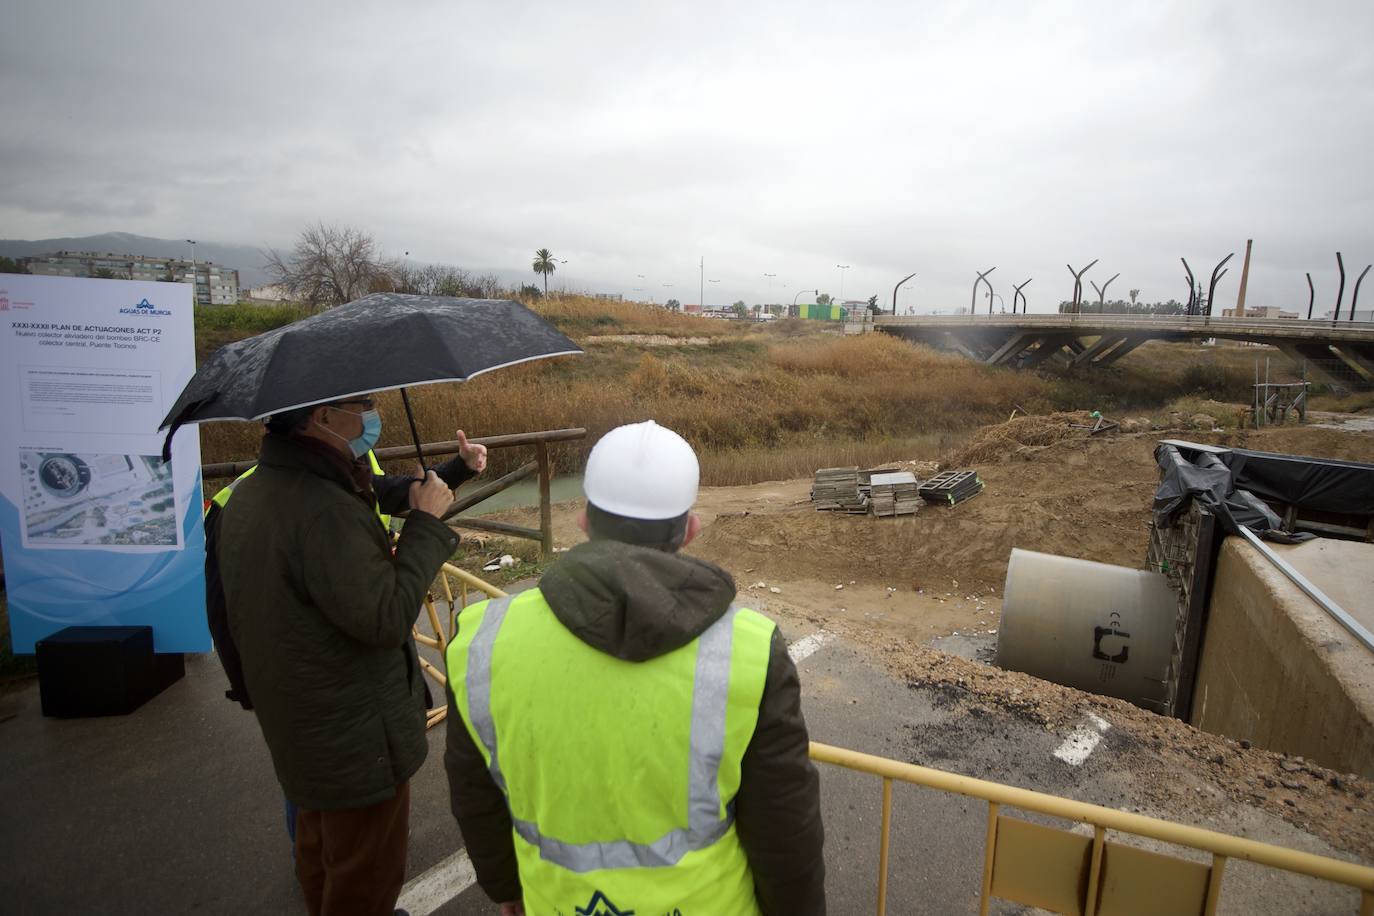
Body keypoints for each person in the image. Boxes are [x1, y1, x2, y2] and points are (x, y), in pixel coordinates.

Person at [444, 420, 825, 916]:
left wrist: (506, 890)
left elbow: (475, 794)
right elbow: (785, 831)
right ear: (689, 529)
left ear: (583, 521)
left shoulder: (482, 640)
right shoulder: (749, 652)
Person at [216, 396, 475, 916]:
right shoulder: (324, 510)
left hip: (299, 718)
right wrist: (425, 527)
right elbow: (385, 617)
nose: (372, 415)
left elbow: (243, 607)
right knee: (365, 873)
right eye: (362, 405)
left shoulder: (254, 493)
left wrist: (450, 475)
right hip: (353, 731)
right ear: (323, 416)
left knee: (321, 852)